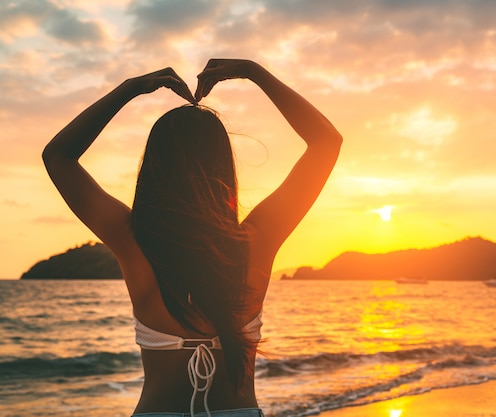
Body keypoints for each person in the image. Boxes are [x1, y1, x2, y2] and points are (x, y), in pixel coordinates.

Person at [43, 59, 342, 417]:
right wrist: (254, 72)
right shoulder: (257, 238)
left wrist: (130, 89)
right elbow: (326, 142)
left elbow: (58, 156)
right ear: (223, 166)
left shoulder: (132, 239)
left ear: (154, 167)